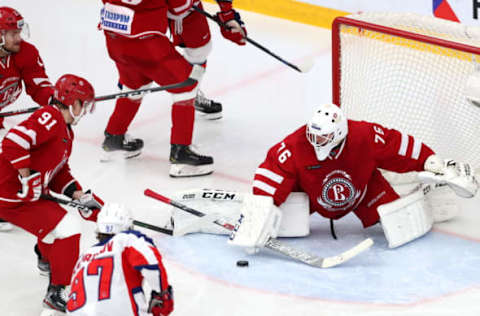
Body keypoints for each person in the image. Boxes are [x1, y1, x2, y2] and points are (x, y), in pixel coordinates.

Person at [229, 103, 478, 251]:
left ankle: (428, 197)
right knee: (285, 223)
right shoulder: (295, 144)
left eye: (323, 138)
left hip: (364, 189)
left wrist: (429, 160)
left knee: (402, 224)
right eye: (313, 135)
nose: (316, 141)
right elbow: (273, 170)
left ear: (338, 134)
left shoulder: (364, 136)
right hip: (311, 196)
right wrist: (258, 213)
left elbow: (397, 145)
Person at [0, 74, 105, 313]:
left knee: (54, 226)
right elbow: (13, 141)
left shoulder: (65, 129)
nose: (85, 110)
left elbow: (58, 171)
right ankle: (58, 291)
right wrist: (27, 178)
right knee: (69, 228)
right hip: (11, 196)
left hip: (22, 196)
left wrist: (78, 194)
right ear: (72, 102)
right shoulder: (50, 117)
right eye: (84, 104)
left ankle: (46, 257)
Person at [99, 0, 232, 177]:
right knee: (186, 86)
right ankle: (181, 154)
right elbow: (179, 9)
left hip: (114, 39)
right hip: (147, 43)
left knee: (134, 84)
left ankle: (114, 137)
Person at [0, 6, 56, 231]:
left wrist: (55, 101)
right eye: (12, 33)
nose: (18, 38)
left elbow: (38, 84)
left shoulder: (26, 52)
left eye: (18, 32)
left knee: (10, 153)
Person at [66, 203, 174, 316]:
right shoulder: (125, 240)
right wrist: (162, 293)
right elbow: (150, 263)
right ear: (128, 225)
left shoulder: (84, 257)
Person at [167, 0, 247, 120]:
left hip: (188, 9)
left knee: (200, 50)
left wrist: (227, 14)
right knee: (141, 57)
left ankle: (191, 93)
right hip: (149, 9)